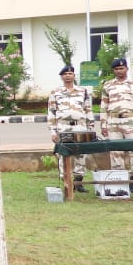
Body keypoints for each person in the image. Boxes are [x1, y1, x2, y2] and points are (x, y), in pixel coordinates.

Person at [98, 56, 133, 194]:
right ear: (113, 70)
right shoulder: (108, 85)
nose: (119, 71)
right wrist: (103, 124)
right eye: (116, 69)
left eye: (121, 68)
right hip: (114, 121)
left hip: (131, 120)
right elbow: (104, 105)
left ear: (127, 68)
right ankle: (119, 178)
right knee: (116, 151)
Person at [46, 64, 92, 192]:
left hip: (80, 126)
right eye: (65, 74)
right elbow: (51, 111)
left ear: (74, 75)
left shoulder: (82, 91)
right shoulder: (55, 92)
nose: (68, 76)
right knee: (63, 154)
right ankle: (66, 181)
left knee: (81, 154)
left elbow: (88, 109)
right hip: (63, 127)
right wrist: (53, 131)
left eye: (70, 74)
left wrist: (90, 127)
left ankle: (78, 182)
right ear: (61, 76)